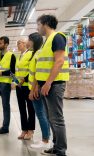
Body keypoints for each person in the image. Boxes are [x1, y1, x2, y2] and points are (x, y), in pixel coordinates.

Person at [34, 15, 69, 156]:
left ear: (45, 24)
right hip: (46, 85)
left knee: (57, 119)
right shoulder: (46, 41)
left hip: (54, 84)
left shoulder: (57, 37)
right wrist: (39, 85)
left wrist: (48, 83)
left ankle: (61, 151)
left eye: (38, 25)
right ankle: (56, 147)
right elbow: (43, 66)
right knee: (50, 118)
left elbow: (59, 62)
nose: (37, 28)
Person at [27, 32, 51, 149]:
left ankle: (45, 140)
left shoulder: (38, 53)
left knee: (41, 114)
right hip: (35, 87)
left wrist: (33, 90)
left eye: (29, 40)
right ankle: (46, 138)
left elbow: (37, 73)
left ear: (34, 41)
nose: (28, 42)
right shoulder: (35, 53)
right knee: (42, 114)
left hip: (36, 88)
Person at [15, 38, 35, 140]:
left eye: (19, 43)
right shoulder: (19, 56)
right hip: (19, 86)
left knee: (30, 108)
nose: (18, 45)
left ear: (24, 44)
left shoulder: (30, 54)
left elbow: (31, 69)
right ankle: (24, 130)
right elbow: (18, 71)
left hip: (27, 85)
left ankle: (30, 130)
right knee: (21, 108)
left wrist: (24, 80)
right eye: (17, 44)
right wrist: (16, 82)